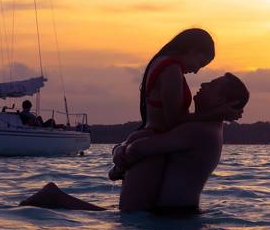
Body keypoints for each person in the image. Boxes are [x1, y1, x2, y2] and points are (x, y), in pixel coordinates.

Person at [19, 72, 250, 213]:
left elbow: (143, 147)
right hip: (168, 216)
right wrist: (121, 154)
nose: (204, 85)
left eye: (212, 84)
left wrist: (119, 163)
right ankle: (54, 198)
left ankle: (54, 198)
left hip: (173, 218)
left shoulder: (200, 131)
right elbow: (143, 140)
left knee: (111, 220)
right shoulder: (198, 125)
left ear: (222, 99)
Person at [108, 28, 240, 180]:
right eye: (200, 63)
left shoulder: (160, 62)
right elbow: (174, 120)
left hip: (149, 134)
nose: (196, 71)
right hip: (155, 142)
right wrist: (216, 114)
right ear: (192, 50)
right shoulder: (171, 70)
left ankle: (119, 168)